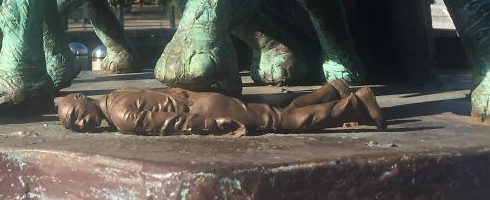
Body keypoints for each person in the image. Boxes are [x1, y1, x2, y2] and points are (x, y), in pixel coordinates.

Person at [57, 80, 385, 136]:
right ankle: (331, 91)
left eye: (76, 116)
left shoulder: (121, 117)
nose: (81, 124)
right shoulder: (114, 95)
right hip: (202, 98)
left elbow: (176, 124)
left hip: (205, 111)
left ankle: (354, 105)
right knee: (270, 112)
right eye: (75, 126)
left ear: (83, 100)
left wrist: (218, 126)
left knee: (280, 121)